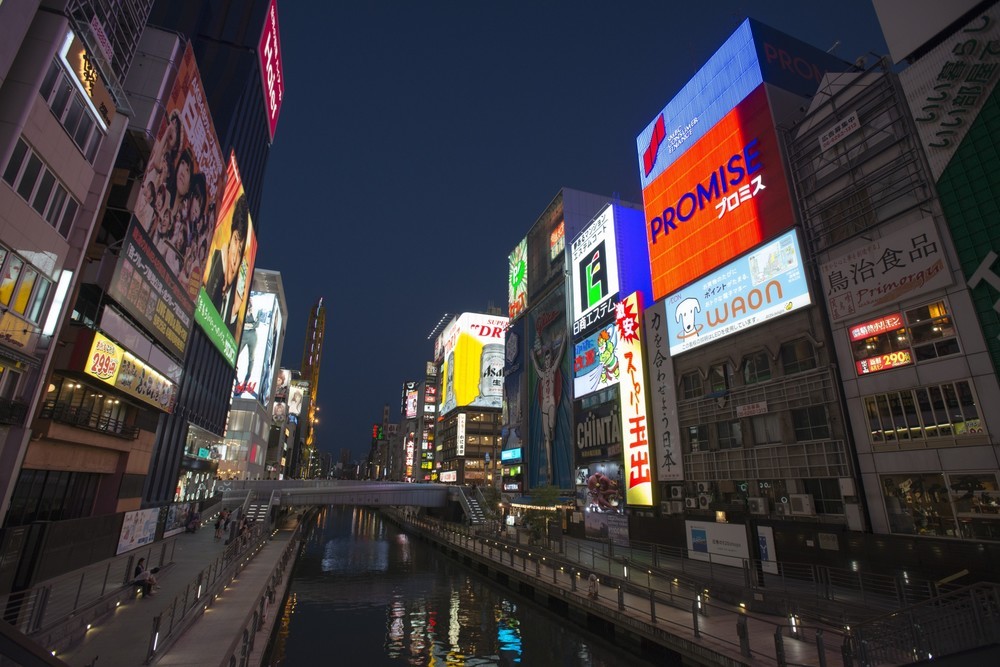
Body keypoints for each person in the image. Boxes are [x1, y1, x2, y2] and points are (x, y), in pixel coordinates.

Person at [205, 193, 249, 336]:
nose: (235, 257)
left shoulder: (237, 299)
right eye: (236, 240)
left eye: (241, 249)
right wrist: (219, 271)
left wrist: (235, 311)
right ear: (230, 236)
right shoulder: (213, 262)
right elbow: (201, 315)